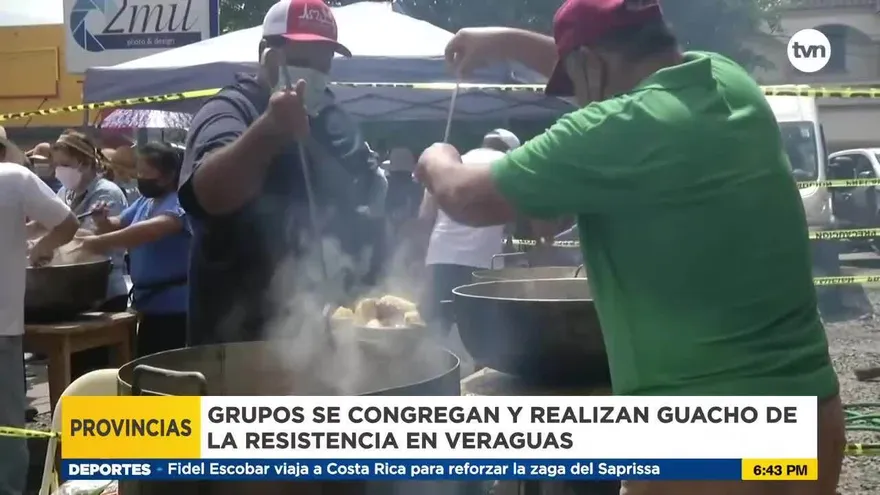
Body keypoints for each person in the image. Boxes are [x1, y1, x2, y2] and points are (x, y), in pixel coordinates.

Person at [416, 1, 844, 495]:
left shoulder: (622, 127)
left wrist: (437, 158)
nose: (577, 103)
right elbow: (607, 64)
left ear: (591, 64)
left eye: (573, 84)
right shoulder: (724, 80)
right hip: (810, 422)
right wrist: (506, 42)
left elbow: (467, 196)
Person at [179, 0, 384, 346]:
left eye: (326, 62)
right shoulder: (229, 108)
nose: (317, 73)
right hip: (237, 341)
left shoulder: (332, 119)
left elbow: (363, 198)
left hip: (326, 340)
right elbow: (211, 195)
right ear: (269, 57)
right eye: (304, 60)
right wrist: (271, 129)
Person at [0, 148, 79, 495]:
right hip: (2, 327)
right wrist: (43, 246)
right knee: (6, 428)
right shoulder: (13, 178)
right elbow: (68, 224)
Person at [79, 142, 190, 357]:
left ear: (167, 175)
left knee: (171, 377)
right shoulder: (145, 201)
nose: (140, 177)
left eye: (146, 173)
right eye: (139, 171)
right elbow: (119, 223)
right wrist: (102, 221)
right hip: (148, 306)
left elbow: (148, 231)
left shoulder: (179, 202)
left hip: (176, 309)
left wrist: (98, 242)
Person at [419, 130, 520, 332]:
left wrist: (423, 259)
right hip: (482, 265)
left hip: (440, 258)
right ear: (511, 150)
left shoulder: (449, 165)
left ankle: (436, 363)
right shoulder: (508, 166)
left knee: (435, 330)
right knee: (480, 331)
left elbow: (424, 217)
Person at [52, 130, 129, 311]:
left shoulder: (107, 193)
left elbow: (95, 238)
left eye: (65, 164)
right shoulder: (64, 193)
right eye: (57, 165)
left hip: (105, 290)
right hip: (73, 290)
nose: (59, 170)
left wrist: (55, 234)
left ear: (85, 163)